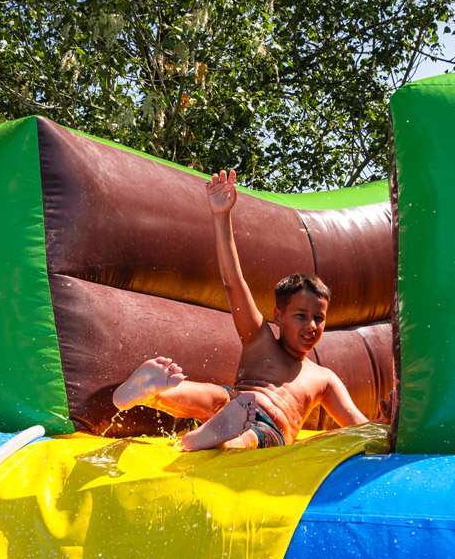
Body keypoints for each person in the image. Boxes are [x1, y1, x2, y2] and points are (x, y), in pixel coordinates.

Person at [112, 168, 370, 450]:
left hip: (268, 428)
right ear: (278, 317)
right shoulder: (260, 340)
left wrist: (388, 423)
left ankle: (220, 437)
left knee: (251, 432)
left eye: (319, 318)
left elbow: (359, 426)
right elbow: (233, 282)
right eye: (301, 316)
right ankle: (153, 392)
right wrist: (221, 216)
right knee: (216, 395)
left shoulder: (324, 378)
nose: (311, 326)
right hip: (237, 406)